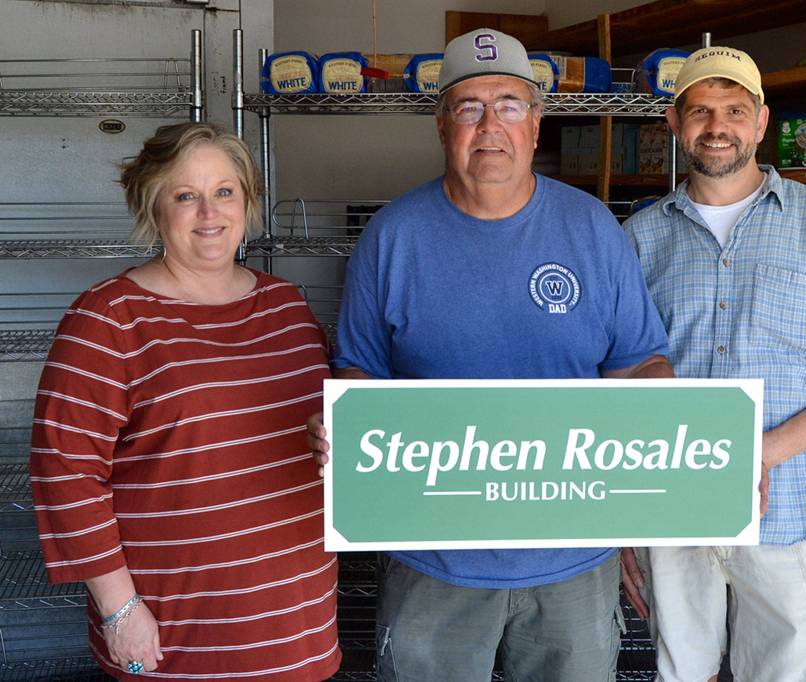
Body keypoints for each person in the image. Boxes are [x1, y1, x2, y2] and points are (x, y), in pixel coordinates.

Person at [306, 28, 673, 681]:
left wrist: (661, 436)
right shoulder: (391, 237)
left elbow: (641, 361)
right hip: (433, 558)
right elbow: (358, 371)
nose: (489, 125)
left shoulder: (593, 229)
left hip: (574, 558)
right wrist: (346, 418)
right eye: (469, 107)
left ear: (535, 124)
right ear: (442, 126)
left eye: (507, 105)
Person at [621, 47, 806, 682]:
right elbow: (616, 378)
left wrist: (762, 453)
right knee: (678, 671)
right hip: (671, 505)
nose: (716, 125)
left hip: (788, 507)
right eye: (699, 111)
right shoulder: (639, 238)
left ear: (760, 122)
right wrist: (622, 523)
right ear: (674, 123)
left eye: (733, 110)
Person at [30, 122, 340, 680]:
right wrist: (119, 609)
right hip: (177, 634)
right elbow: (66, 474)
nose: (209, 212)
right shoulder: (108, 318)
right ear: (152, 208)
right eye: (185, 196)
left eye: (225, 191)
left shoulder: (289, 308)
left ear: (247, 201)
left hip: (297, 625)